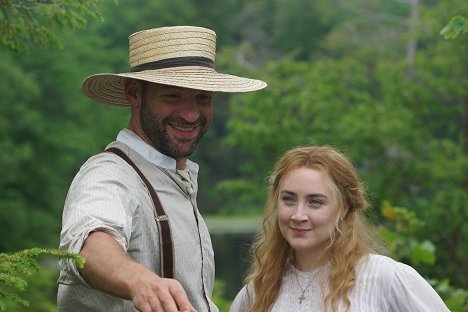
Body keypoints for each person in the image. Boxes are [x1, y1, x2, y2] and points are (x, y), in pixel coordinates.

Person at [57, 25, 266, 312]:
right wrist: (139, 280)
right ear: (134, 94)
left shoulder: (177, 177)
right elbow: (89, 246)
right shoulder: (108, 174)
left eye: (202, 98)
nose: (191, 114)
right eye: (173, 96)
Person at [230, 146, 450, 312]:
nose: (298, 215)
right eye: (288, 199)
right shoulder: (258, 292)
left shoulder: (386, 278)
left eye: (315, 202)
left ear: (344, 208)